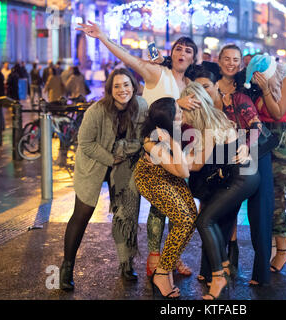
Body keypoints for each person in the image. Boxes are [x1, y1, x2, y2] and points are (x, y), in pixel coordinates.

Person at [77, 21, 200, 277]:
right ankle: (153, 260)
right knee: (159, 207)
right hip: (154, 151)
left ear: (193, 58)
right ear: (173, 52)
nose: (183, 53)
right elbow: (128, 58)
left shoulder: (190, 82)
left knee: (179, 209)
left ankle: (170, 256)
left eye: (189, 50)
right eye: (179, 48)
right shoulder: (158, 74)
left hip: (178, 150)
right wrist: (103, 37)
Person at [59, 68, 148, 291]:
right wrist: (110, 158)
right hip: (95, 163)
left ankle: (126, 264)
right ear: (109, 90)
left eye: (126, 85)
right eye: (117, 86)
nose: (122, 90)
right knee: (82, 213)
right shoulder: (97, 110)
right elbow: (86, 143)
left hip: (125, 163)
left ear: (133, 87)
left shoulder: (141, 106)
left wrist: (128, 150)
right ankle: (67, 267)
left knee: (127, 213)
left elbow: (144, 138)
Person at [194, 64, 274, 286]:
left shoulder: (237, 99)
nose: (203, 91)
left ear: (218, 84)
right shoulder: (200, 107)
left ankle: (261, 274)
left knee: (260, 214)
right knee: (221, 213)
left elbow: (257, 126)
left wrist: (246, 146)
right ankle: (211, 269)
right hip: (230, 160)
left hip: (257, 152)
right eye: (197, 88)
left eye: (207, 86)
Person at [182, 82, 260, 299]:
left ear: (193, 108)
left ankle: (218, 277)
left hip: (241, 178)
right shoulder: (216, 118)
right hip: (244, 175)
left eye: (183, 108)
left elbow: (196, 165)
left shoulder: (208, 127)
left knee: (204, 221)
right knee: (210, 220)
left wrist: (166, 161)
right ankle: (223, 266)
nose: (180, 114)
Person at [134, 97, 197, 299]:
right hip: (150, 179)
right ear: (168, 119)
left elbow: (182, 167)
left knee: (192, 215)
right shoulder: (153, 143)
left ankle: (169, 263)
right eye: (177, 111)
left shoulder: (173, 131)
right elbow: (183, 172)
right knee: (183, 219)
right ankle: (161, 273)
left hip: (168, 175)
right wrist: (171, 143)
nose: (182, 113)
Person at [246, 56, 286, 276]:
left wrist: (265, 89)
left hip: (280, 140)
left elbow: (277, 112)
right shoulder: (256, 86)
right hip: (260, 140)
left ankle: (283, 249)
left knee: (277, 197)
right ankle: (271, 248)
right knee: (263, 197)